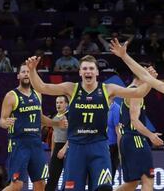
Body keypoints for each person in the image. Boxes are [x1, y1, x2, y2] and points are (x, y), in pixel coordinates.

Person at [26, 53, 154, 191]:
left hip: (98, 147)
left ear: (97, 72)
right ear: (80, 71)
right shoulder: (71, 88)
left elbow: (138, 93)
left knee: (103, 188)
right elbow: (42, 87)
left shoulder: (107, 89)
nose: (88, 71)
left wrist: (149, 80)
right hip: (76, 148)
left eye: (91, 68)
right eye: (85, 68)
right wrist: (32, 70)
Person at [0, 63, 67, 191]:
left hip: (36, 143)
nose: (26, 74)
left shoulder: (37, 94)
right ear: (18, 75)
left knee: (40, 183)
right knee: (17, 185)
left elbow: (40, 117)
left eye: (28, 72)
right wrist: (5, 123)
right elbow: (2, 120)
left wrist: (57, 124)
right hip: (19, 143)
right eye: (23, 72)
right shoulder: (11, 96)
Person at [115, 68, 163, 191]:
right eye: (146, 73)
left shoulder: (131, 91)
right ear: (141, 75)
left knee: (132, 183)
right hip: (136, 139)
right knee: (148, 180)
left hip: (127, 139)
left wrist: (150, 81)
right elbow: (134, 121)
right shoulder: (135, 94)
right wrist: (150, 135)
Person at [45, 96, 69, 191]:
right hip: (57, 148)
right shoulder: (55, 116)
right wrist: (52, 152)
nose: (58, 105)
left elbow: (73, 135)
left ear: (66, 104)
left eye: (61, 102)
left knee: (68, 179)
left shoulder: (70, 115)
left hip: (68, 148)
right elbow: (54, 135)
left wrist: (64, 149)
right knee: (52, 178)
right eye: (57, 103)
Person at [106, 96, 120, 181]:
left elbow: (118, 132)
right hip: (99, 146)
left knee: (109, 177)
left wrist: (120, 152)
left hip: (112, 147)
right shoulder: (99, 106)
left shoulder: (116, 109)